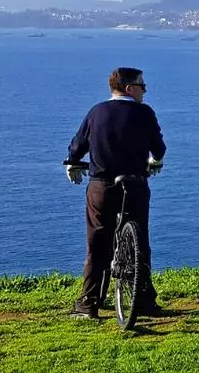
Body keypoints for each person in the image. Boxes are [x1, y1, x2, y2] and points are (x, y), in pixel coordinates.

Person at [63, 67, 166, 319]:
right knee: (140, 239)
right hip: (135, 183)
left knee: (97, 242)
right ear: (129, 88)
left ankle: (89, 303)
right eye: (142, 85)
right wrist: (155, 160)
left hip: (102, 185)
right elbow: (159, 147)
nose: (145, 90)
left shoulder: (97, 112)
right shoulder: (145, 113)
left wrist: (73, 162)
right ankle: (142, 300)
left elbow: (78, 145)